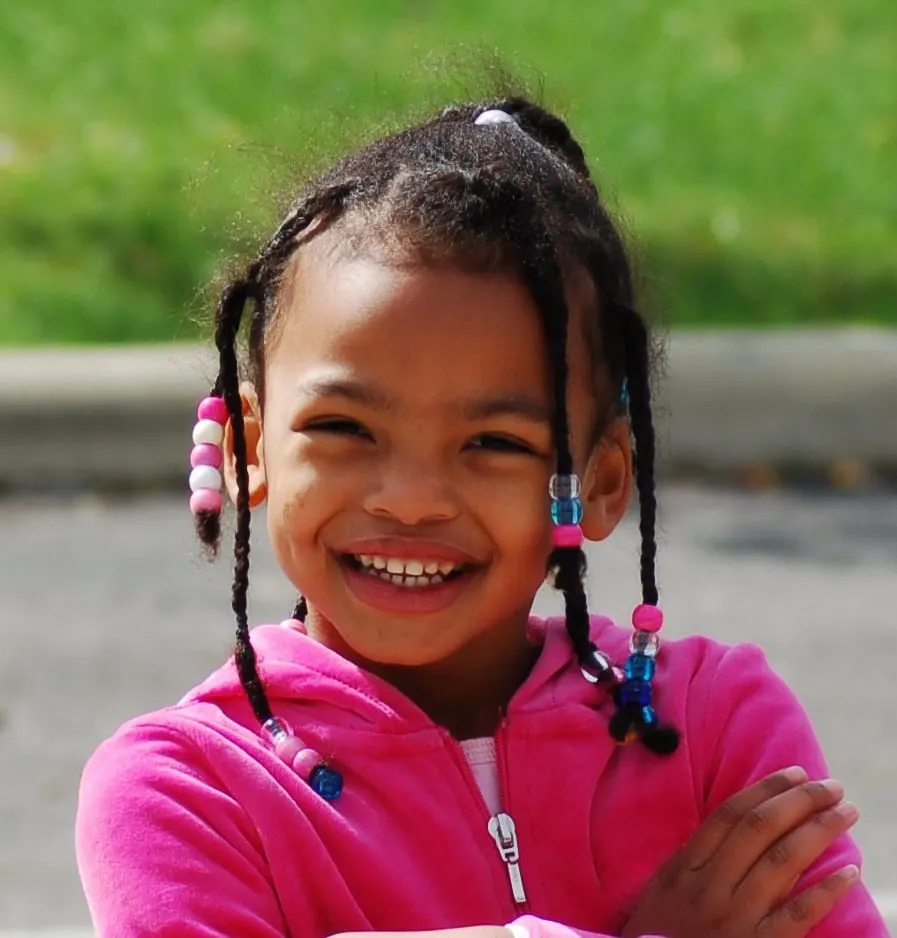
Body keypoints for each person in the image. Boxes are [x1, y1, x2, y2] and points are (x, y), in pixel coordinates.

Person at [75, 95, 888, 938]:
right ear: (250, 448)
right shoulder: (186, 792)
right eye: (343, 427)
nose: (410, 497)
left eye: (493, 442)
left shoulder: (716, 729)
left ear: (601, 481)